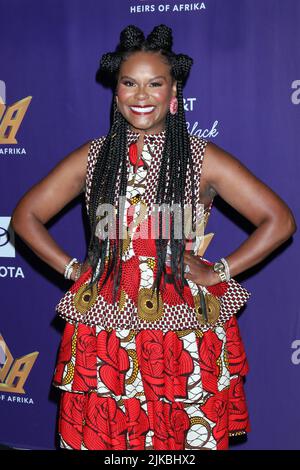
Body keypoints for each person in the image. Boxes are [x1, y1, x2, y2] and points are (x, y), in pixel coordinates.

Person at [11, 24, 296, 451]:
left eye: (154, 84)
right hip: (106, 326)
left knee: (181, 443)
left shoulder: (202, 158)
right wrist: (74, 269)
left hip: (182, 333)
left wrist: (220, 270)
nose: (141, 95)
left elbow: (279, 220)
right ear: (116, 91)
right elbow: (25, 215)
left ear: (173, 91)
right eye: (130, 83)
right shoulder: (93, 156)